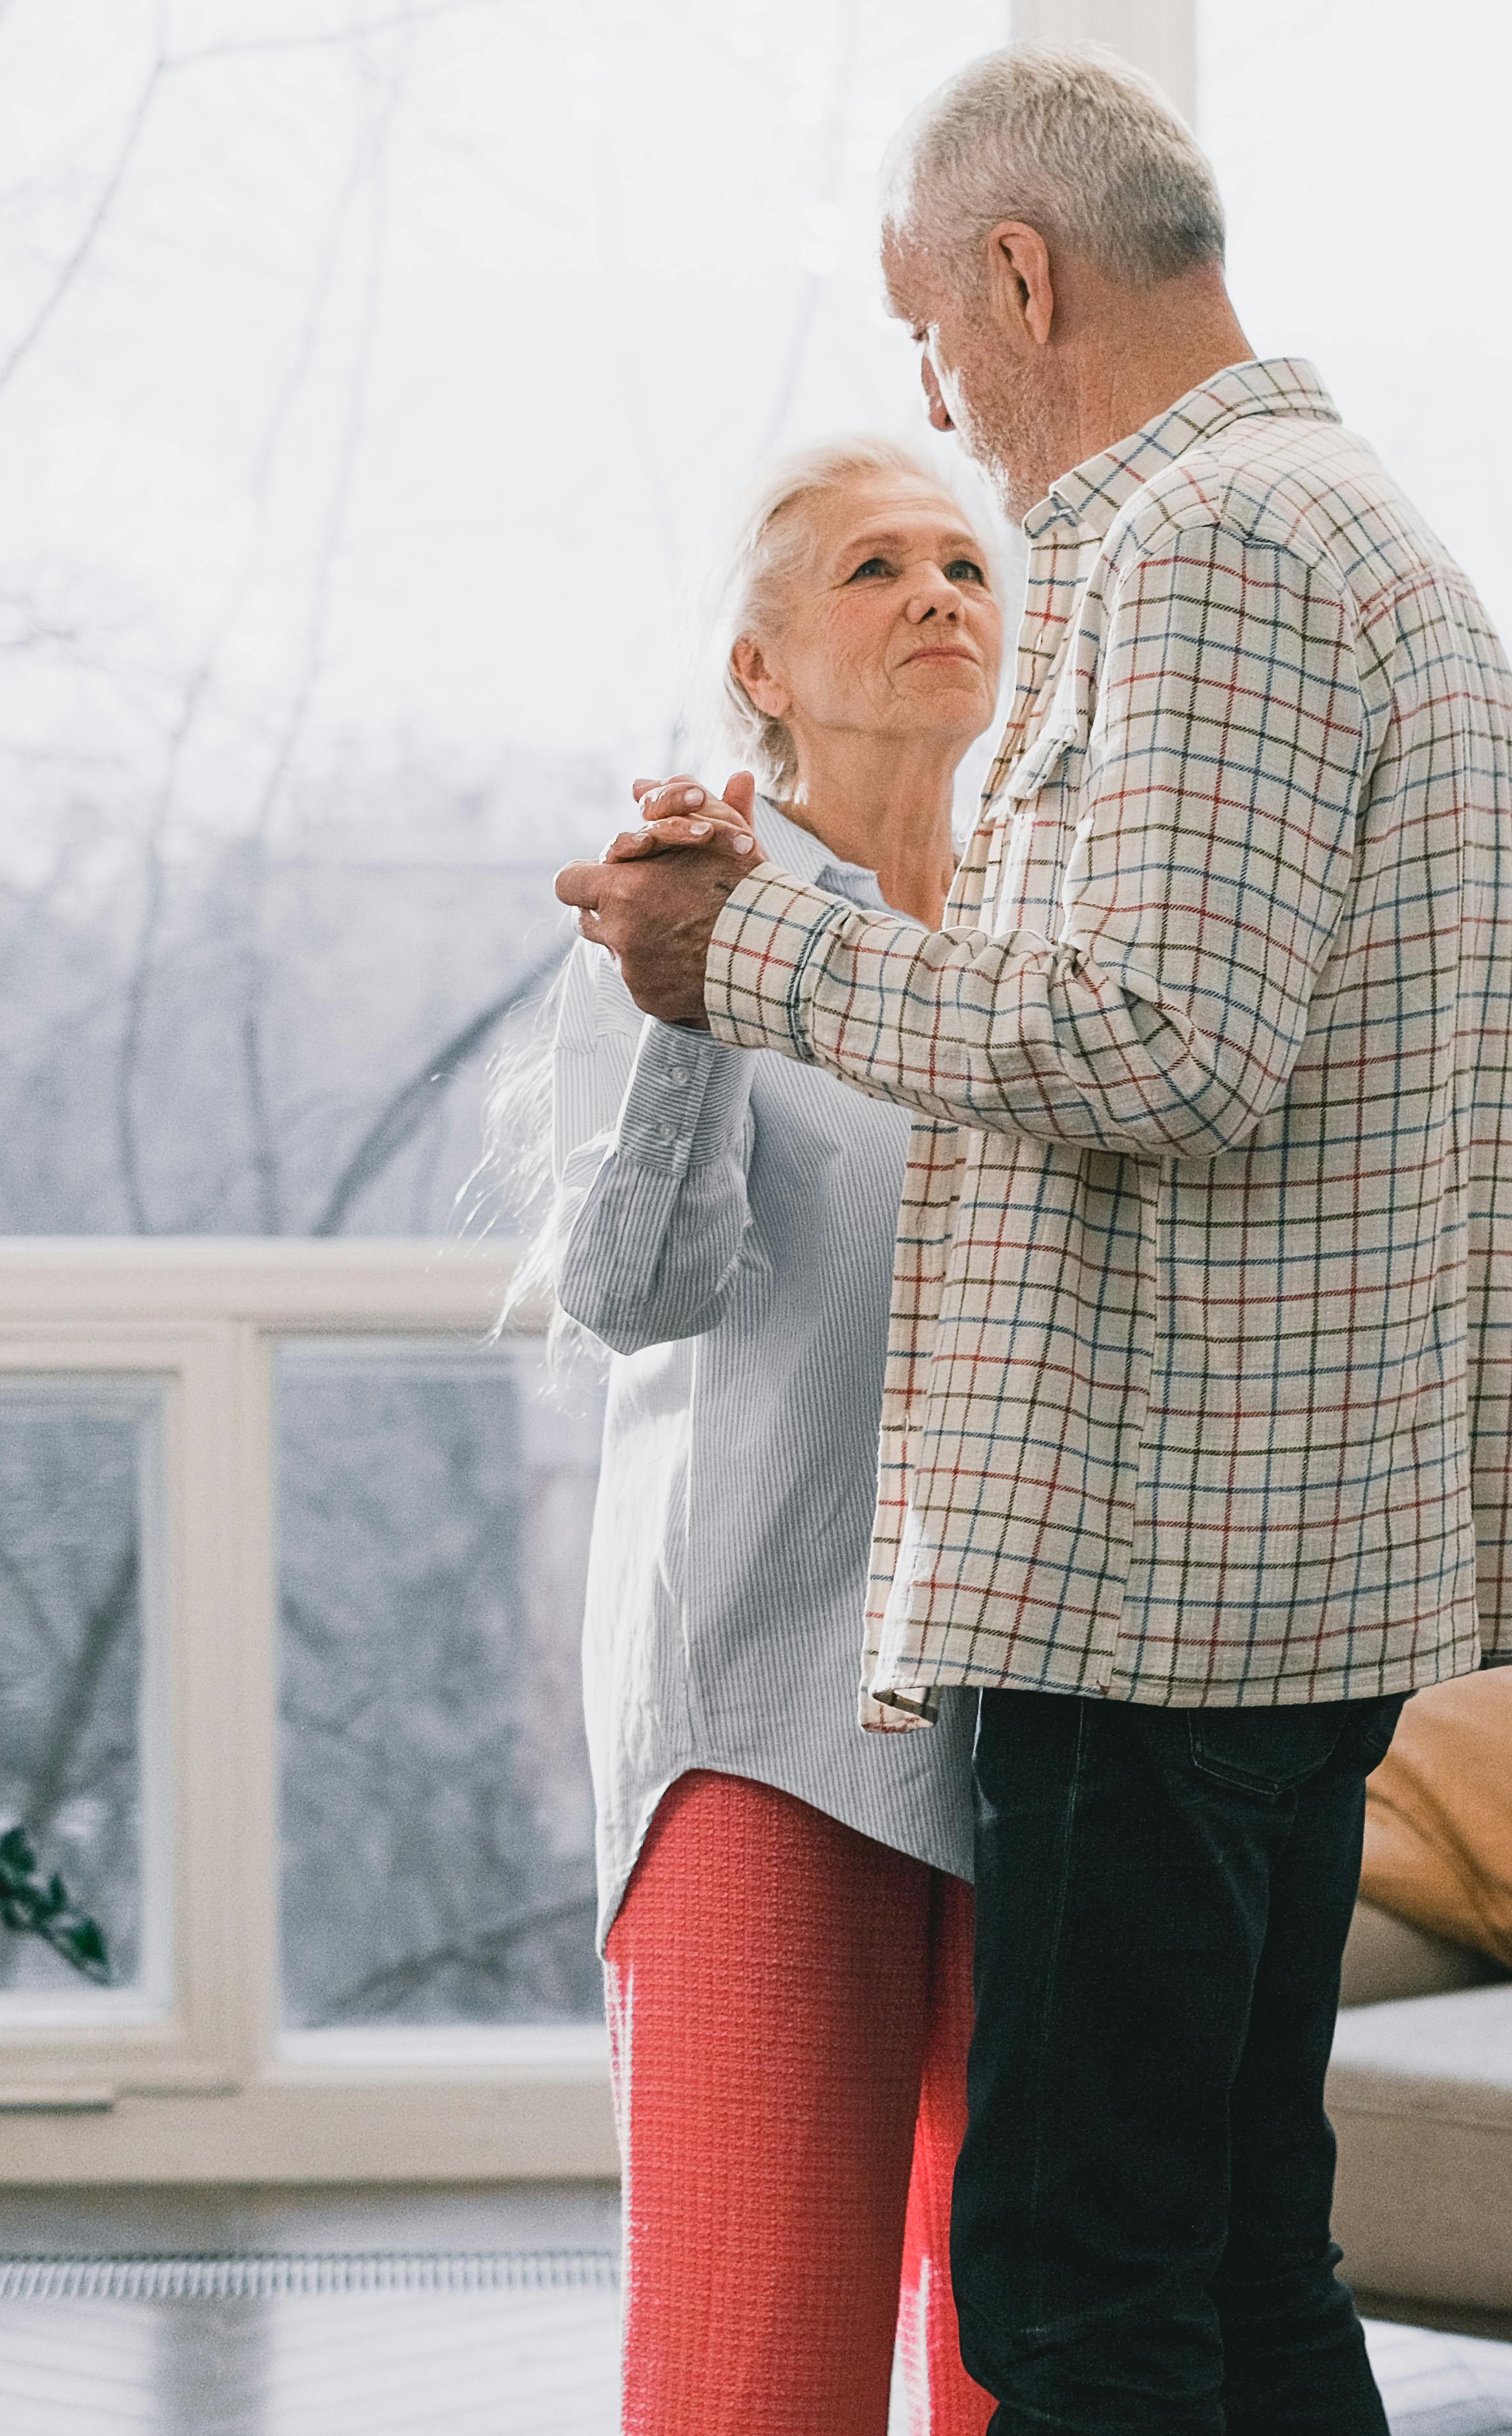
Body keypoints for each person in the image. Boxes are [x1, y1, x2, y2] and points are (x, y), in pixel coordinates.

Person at [563, 43, 1512, 2436]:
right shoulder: (1361, 528)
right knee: (1229, 2253)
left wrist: (754, 960)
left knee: (1077, 2292)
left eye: (933, 332)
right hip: (1287, 1573)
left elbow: (1164, 1046)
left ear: (1016, 277)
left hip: (1166, 1585)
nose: (943, 407)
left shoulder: (1213, 544)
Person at [500, 435, 1006, 2436]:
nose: (937, 594)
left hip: (1041, 1714)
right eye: (874, 566)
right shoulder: (674, 909)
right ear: (763, 662)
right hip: (761, 1707)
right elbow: (628, 1293)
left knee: (1017, 2353)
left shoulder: (1049, 933)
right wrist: (698, 993)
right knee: (751, 2366)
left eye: (966, 562)